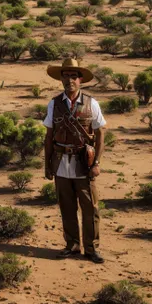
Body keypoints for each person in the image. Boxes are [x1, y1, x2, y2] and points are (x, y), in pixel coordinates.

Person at [43, 58, 106, 264]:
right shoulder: (54, 103)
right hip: (60, 162)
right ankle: (72, 245)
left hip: (83, 163)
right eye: (65, 76)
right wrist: (47, 164)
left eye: (73, 76)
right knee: (67, 208)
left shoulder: (91, 103)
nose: (69, 80)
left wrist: (96, 163)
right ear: (61, 79)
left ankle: (91, 248)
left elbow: (100, 134)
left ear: (80, 79)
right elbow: (49, 135)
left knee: (90, 209)